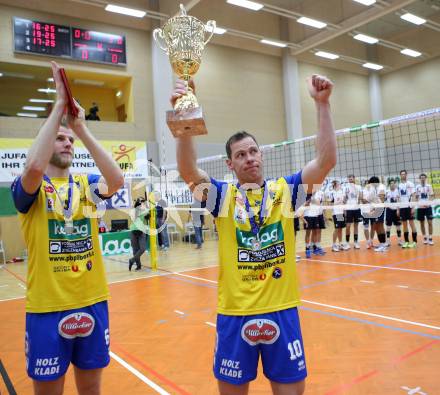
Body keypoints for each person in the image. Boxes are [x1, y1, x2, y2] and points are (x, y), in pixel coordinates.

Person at [172, 74, 336, 395]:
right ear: (230, 164)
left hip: (282, 311)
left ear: (261, 155)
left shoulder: (285, 192)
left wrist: (322, 104)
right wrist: (186, 115)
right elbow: (188, 171)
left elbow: (326, 161)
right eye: (241, 155)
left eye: (253, 151)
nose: (249, 158)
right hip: (236, 315)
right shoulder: (222, 198)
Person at [10, 61, 124, 395]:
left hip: (92, 302)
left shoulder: (86, 185)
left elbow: (116, 180)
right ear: (45, 144)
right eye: (59, 139)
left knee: (91, 389)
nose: (66, 143)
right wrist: (59, 106)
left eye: (69, 141)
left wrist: (81, 129)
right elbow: (33, 165)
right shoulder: (30, 188)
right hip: (47, 309)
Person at [362, 176, 387, 252]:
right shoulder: (373, 189)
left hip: (379, 208)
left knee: (380, 226)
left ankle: (383, 244)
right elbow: (368, 200)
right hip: (375, 208)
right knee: (377, 226)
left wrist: (376, 207)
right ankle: (382, 243)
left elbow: (382, 199)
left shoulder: (381, 186)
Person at [128, 197, 150, 271]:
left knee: (142, 248)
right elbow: (133, 216)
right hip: (133, 230)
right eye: (141, 202)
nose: (142, 204)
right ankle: (138, 266)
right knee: (135, 249)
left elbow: (149, 212)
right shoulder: (134, 211)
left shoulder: (144, 210)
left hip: (141, 231)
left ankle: (132, 260)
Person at [398, 170, 417, 248]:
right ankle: (406, 242)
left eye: (404, 174)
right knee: (404, 225)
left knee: (412, 224)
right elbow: (398, 198)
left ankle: (414, 242)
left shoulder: (410, 184)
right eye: (402, 174)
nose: (403, 175)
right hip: (402, 207)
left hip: (409, 206)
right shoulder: (398, 185)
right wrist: (398, 209)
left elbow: (414, 196)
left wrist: (413, 207)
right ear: (400, 175)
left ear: (406, 175)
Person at [343, 174, 362, 249]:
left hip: (356, 209)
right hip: (349, 209)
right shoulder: (345, 187)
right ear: (348, 179)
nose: (350, 179)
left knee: (356, 226)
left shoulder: (358, 187)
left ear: (354, 178)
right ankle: (347, 243)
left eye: (352, 178)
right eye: (349, 178)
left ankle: (356, 242)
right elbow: (344, 199)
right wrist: (344, 208)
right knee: (348, 226)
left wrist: (359, 201)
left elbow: (360, 197)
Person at [415, 173, 434, 245]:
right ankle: (425, 237)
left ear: (426, 178)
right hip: (420, 208)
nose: (422, 179)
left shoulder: (429, 186)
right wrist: (416, 204)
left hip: (428, 207)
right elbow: (416, 197)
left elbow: (432, 196)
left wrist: (428, 203)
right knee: (421, 223)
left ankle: (430, 238)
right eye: (421, 178)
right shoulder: (417, 187)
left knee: (430, 222)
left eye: (424, 178)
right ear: (420, 179)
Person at [329, 180, 347, 252]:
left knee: (340, 228)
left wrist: (344, 211)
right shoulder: (332, 193)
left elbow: (343, 202)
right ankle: (333, 245)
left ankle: (340, 244)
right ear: (335, 185)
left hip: (341, 212)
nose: (340, 185)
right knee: (336, 228)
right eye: (339, 184)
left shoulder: (341, 192)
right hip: (335, 213)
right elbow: (330, 204)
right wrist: (337, 202)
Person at [385, 179, 402, 246]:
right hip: (389, 210)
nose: (392, 184)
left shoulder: (398, 191)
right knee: (388, 227)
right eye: (391, 183)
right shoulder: (387, 191)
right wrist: (386, 205)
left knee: (398, 226)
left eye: (393, 183)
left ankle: (399, 240)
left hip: (396, 210)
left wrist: (398, 210)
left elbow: (399, 201)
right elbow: (384, 200)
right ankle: (388, 241)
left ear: (395, 184)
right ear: (389, 184)